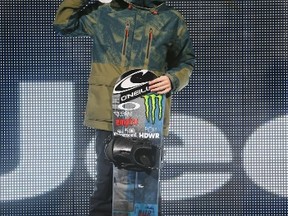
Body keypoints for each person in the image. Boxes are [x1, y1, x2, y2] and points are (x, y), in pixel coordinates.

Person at [53, 0, 195, 215]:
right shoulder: (106, 13)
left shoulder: (171, 18)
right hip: (109, 114)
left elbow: (185, 62)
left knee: (147, 191)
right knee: (106, 187)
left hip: (147, 116)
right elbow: (64, 25)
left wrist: (173, 79)